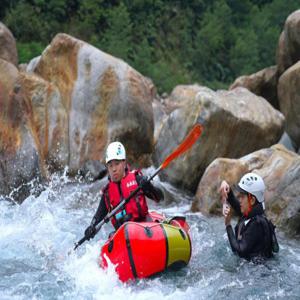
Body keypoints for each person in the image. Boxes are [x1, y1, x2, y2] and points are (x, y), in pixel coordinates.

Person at [84, 141, 164, 240]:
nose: (114, 169)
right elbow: (98, 217)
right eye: (110, 165)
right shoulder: (107, 193)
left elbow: (160, 197)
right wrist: (91, 228)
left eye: (117, 164)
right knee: (112, 236)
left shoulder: (137, 180)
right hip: (123, 236)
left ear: (124, 163)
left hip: (145, 229)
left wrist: (148, 186)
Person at [219, 172, 276, 262]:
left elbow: (240, 251)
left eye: (242, 196)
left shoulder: (257, 224)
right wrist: (227, 189)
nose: (239, 199)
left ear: (252, 200)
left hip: (255, 272)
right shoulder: (253, 213)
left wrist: (228, 225)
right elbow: (236, 204)